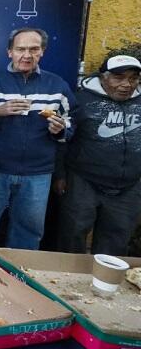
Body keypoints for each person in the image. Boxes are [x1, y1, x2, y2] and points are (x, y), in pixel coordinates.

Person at [0, 28, 76, 257]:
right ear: (9, 52)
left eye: (33, 49)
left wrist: (60, 129)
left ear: (42, 52)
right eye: (20, 49)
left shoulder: (56, 85)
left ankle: (19, 279)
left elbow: (73, 122)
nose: (26, 55)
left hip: (38, 173)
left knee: (28, 231)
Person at [55, 54, 141, 256]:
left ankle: (104, 283)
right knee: (72, 235)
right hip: (83, 181)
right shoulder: (81, 100)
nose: (126, 84)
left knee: (116, 240)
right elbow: (62, 139)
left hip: (129, 186)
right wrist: (59, 175)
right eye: (118, 77)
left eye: (133, 78)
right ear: (103, 77)